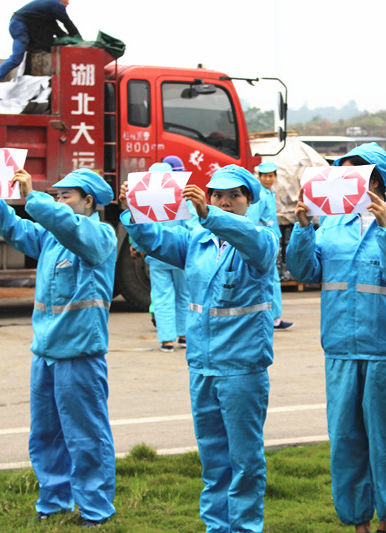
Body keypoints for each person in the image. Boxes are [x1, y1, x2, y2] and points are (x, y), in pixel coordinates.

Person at [120, 165, 278, 533]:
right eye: (217, 195)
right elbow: (155, 239)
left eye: (233, 196)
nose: (224, 202)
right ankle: (217, 527)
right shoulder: (196, 239)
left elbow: (252, 242)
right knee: (212, 457)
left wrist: (209, 216)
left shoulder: (262, 239)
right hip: (203, 365)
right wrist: (132, 209)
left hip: (241, 367)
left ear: (249, 201)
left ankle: (244, 527)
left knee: (244, 458)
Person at [286, 142, 386, 533]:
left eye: (354, 172)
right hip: (341, 350)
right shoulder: (332, 224)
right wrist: (301, 228)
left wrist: (385, 227)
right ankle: (357, 522)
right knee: (345, 440)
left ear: (375, 179)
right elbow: (305, 271)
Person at [0, 167, 116, 528]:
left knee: (87, 436)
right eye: (55, 196)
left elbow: (71, 228)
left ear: (89, 201)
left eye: (65, 196)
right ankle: (53, 501)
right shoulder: (52, 237)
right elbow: (16, 229)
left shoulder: (98, 235)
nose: (58, 201)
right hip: (45, 353)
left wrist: (34, 197)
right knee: (46, 434)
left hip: (80, 355)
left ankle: (95, 509)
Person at [144, 158, 196, 352]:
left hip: (157, 255)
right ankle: (183, 335)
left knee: (161, 297)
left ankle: (166, 340)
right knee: (184, 294)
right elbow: (193, 226)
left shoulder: (145, 199)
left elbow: (141, 228)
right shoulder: (181, 197)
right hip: (181, 254)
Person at [0, 0, 80, 90]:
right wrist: (77, 37)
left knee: (41, 46)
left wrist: (65, 36)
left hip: (20, 23)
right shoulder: (57, 4)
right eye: (66, 1)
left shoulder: (48, 7)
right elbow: (67, 22)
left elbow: (55, 27)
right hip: (20, 25)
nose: (68, 3)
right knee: (16, 58)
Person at [248, 161, 292, 329]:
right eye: (264, 176)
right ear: (259, 177)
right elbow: (253, 220)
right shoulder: (261, 195)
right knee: (270, 278)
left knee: (272, 278)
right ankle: (272, 317)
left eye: (270, 176)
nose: (268, 179)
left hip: (271, 238)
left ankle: (273, 315)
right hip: (265, 241)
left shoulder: (269, 192)